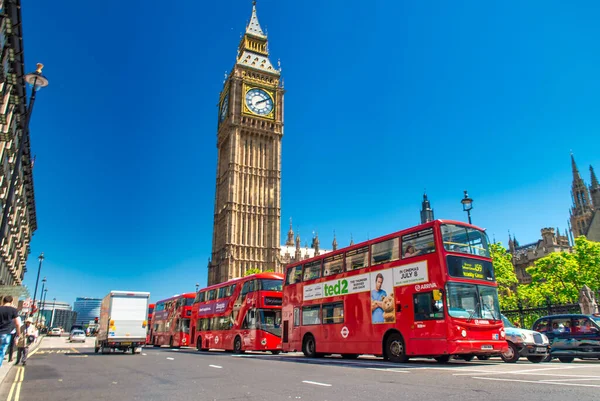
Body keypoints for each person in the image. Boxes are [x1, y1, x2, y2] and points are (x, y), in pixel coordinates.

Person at [0, 296, 22, 368]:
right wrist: (18, 334)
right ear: (12, 301)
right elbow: (17, 323)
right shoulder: (13, 310)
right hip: (6, 333)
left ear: (3, 301)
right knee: (1, 352)